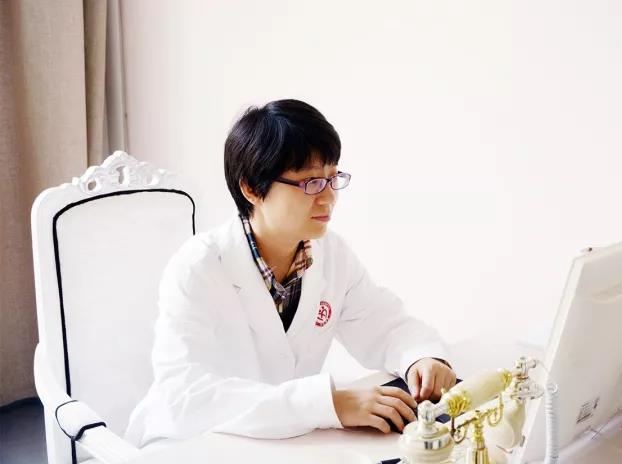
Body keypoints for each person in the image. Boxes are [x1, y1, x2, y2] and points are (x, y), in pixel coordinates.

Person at [124, 99, 455, 447]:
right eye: (311, 182)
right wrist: (328, 404)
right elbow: (187, 396)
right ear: (252, 188)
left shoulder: (331, 253)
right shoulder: (198, 267)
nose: (328, 199)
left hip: (278, 444)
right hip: (187, 444)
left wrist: (421, 357)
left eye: (332, 178)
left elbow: (382, 324)